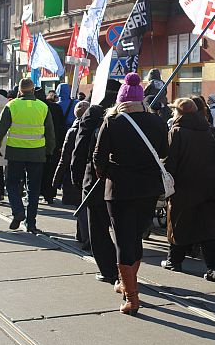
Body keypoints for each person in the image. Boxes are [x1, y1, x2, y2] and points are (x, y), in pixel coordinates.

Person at [93, 73, 168, 315]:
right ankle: (128, 284)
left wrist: (105, 173)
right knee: (136, 236)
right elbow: (165, 152)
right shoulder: (158, 122)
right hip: (148, 189)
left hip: (119, 189)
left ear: (121, 99)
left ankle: (131, 296)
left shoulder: (112, 121)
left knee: (124, 240)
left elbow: (99, 157)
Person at [161, 98, 215, 281]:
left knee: (179, 224)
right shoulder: (208, 130)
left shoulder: (177, 131)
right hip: (210, 187)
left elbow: (169, 163)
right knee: (209, 228)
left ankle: (174, 261)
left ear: (179, 113)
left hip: (184, 187)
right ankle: (214, 267)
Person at [71, 79, 121, 284]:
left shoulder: (93, 113)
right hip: (126, 180)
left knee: (98, 228)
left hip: (97, 179)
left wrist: (77, 176)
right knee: (124, 229)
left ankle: (109, 270)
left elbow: (80, 147)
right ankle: (127, 269)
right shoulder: (128, 114)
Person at [0, 78, 56, 233]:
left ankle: (18, 211)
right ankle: (31, 222)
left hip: (15, 153)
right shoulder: (43, 107)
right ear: (33, 90)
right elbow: (50, 132)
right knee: (34, 189)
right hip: (37, 153)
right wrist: (49, 151)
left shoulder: (12, 105)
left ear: (19, 91)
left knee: (12, 184)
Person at [55, 101, 90, 242]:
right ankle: (83, 235)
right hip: (87, 174)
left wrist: (57, 179)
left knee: (79, 205)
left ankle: (82, 235)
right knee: (84, 207)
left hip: (74, 175)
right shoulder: (95, 129)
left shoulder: (72, 131)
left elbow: (65, 157)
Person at [36, 87, 66, 205]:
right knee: (51, 170)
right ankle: (49, 195)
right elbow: (62, 127)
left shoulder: (36, 107)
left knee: (36, 171)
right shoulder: (55, 107)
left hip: (36, 144)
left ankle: (35, 193)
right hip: (54, 144)